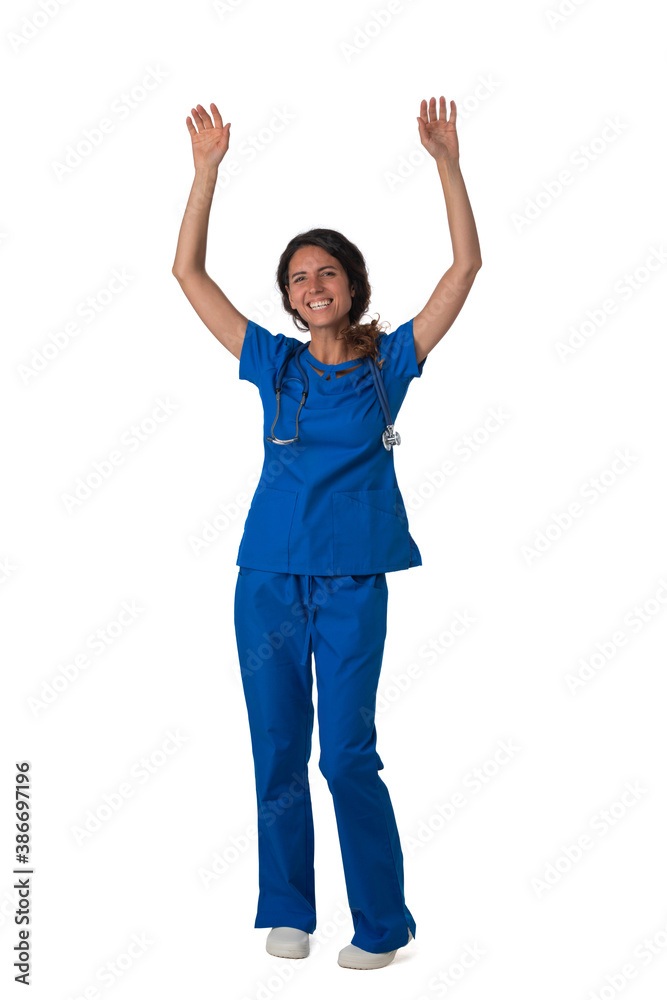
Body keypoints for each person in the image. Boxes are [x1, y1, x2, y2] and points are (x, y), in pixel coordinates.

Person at [172, 96, 482, 971]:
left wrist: (445, 164)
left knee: (345, 753)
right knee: (277, 749)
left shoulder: (392, 364)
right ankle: (289, 909)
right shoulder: (273, 363)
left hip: (351, 584)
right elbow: (188, 277)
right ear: (288, 300)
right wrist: (206, 174)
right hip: (267, 578)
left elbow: (465, 267)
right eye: (297, 279)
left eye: (326, 273)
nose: (312, 286)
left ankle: (383, 925)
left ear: (353, 285)